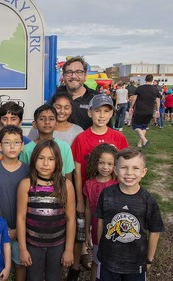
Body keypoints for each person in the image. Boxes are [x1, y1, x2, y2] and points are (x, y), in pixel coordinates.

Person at [69, 94, 128, 281]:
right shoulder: (81, 138)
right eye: (97, 111)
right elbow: (77, 171)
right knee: (84, 232)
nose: (101, 115)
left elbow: (125, 168)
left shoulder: (118, 137)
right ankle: (76, 266)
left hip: (114, 197)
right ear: (90, 112)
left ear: (112, 113)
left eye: (106, 111)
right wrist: (79, 199)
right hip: (90, 195)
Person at [95, 148, 165, 281]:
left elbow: (155, 232)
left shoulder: (148, 201)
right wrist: (101, 248)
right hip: (108, 261)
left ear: (143, 172)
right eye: (124, 167)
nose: (129, 173)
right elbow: (101, 222)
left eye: (135, 168)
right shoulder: (106, 194)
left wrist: (149, 260)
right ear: (115, 170)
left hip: (135, 264)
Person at [17, 139, 75, 281]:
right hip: (33, 245)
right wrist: (23, 249)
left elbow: (71, 219)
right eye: (41, 158)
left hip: (57, 245)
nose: (45, 163)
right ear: (34, 159)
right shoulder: (26, 184)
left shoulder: (65, 185)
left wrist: (68, 250)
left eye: (51, 159)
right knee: (33, 277)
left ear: (58, 162)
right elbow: (20, 218)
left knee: (54, 277)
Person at [0, 125, 29, 281]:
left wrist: (17, 231)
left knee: (19, 265)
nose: (11, 146)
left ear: (22, 146)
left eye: (16, 142)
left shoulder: (29, 171)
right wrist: (3, 228)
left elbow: (31, 205)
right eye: (7, 142)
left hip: (21, 231)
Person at [83, 144, 118, 281]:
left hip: (114, 232)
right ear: (95, 162)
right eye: (101, 163)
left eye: (110, 164)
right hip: (96, 229)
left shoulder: (117, 184)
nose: (105, 167)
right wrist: (86, 231)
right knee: (97, 261)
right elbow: (87, 209)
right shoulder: (89, 184)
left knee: (112, 263)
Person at [20, 104, 75, 181]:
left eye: (51, 119)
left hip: (59, 190)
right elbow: (24, 175)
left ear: (56, 124)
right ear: (35, 124)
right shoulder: (27, 149)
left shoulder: (64, 147)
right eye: (42, 119)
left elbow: (68, 177)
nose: (47, 122)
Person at [129, 74, 160, 148]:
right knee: (143, 127)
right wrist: (157, 110)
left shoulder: (140, 88)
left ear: (145, 79)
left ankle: (144, 140)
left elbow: (134, 98)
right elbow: (158, 101)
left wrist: (131, 106)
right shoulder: (155, 89)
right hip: (149, 110)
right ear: (152, 80)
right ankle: (140, 144)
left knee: (135, 126)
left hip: (140, 110)